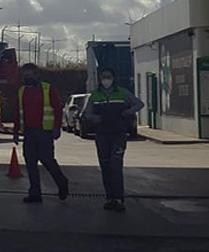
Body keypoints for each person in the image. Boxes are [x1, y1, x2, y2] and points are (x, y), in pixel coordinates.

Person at [81, 67, 144, 212]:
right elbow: (86, 113)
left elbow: (139, 103)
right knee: (105, 167)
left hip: (118, 134)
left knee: (115, 166)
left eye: (109, 77)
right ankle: (109, 197)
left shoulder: (122, 93)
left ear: (113, 78)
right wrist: (93, 117)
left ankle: (118, 199)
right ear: (100, 79)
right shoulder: (94, 95)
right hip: (102, 135)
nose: (106, 80)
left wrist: (129, 111)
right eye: (104, 77)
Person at [13, 62, 69, 203]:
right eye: (25, 76)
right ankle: (35, 193)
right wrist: (15, 131)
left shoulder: (47, 89)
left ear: (37, 75)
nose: (27, 78)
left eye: (30, 75)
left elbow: (57, 108)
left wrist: (57, 127)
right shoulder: (22, 91)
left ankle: (62, 182)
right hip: (29, 132)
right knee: (30, 163)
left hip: (44, 132)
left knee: (47, 160)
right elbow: (18, 112)